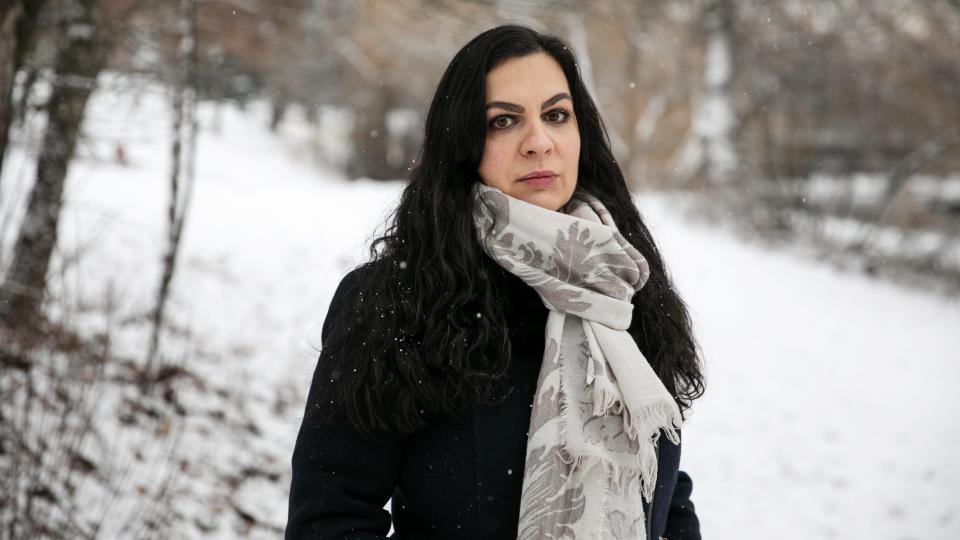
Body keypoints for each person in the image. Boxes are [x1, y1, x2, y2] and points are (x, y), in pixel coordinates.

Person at [286, 24, 705, 540]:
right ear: (463, 145)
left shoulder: (623, 286)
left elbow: (663, 491)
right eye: (503, 121)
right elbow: (332, 518)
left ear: (581, 135)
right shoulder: (394, 303)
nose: (538, 143)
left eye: (556, 115)